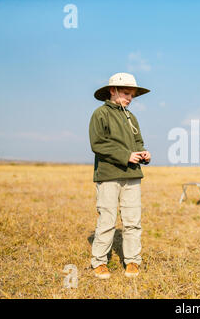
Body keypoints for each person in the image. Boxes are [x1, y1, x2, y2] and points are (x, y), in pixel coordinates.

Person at [89, 72, 151, 279]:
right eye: (126, 93)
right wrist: (126, 155)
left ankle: (132, 260)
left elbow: (138, 142)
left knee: (133, 220)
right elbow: (97, 144)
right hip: (108, 175)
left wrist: (143, 154)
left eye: (132, 95)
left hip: (132, 175)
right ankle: (99, 262)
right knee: (107, 220)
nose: (130, 98)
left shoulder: (131, 116)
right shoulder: (100, 114)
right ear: (112, 91)